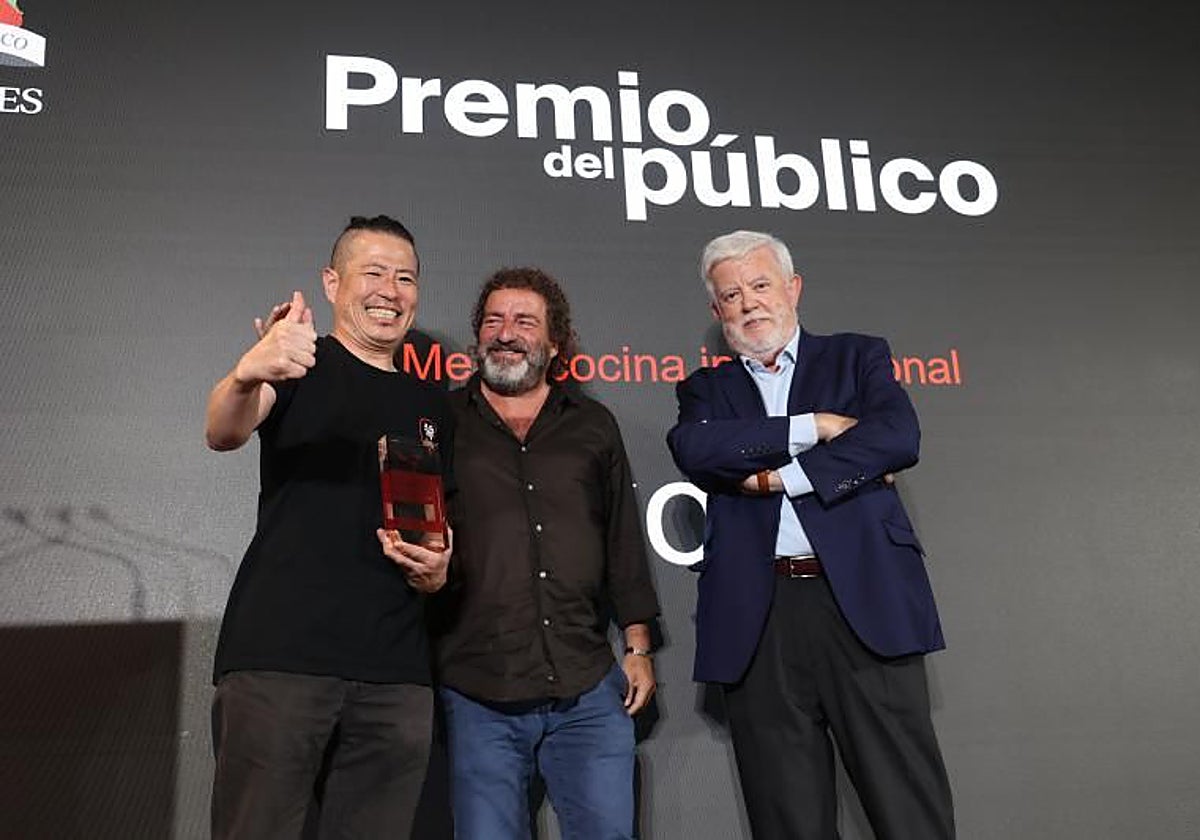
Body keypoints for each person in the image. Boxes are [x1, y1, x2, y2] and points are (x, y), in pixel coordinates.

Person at [666, 230, 954, 839]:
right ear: (716, 313)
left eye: (761, 285)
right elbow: (695, 448)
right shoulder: (705, 390)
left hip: (862, 608)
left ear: (793, 289)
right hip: (759, 618)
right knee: (788, 821)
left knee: (909, 813)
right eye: (731, 295)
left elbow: (898, 437)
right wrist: (815, 426)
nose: (749, 304)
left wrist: (782, 479)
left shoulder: (857, 357)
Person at [204, 215, 453, 839]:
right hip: (282, 660)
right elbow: (223, 431)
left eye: (405, 278)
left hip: (396, 672)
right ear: (332, 282)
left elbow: (438, 528)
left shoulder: (433, 404)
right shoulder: (296, 364)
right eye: (373, 273)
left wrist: (439, 568)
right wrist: (248, 372)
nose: (389, 291)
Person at [433, 267, 660, 840]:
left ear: (554, 342)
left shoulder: (593, 425)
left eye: (524, 321)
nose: (506, 333)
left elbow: (623, 541)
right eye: (494, 320)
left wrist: (637, 645)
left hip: (586, 687)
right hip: (478, 685)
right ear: (477, 335)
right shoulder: (439, 424)